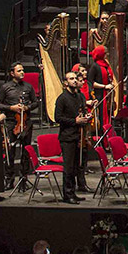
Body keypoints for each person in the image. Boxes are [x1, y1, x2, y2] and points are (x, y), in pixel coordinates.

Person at [55, 69, 92, 205]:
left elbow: (82, 112)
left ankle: (73, 193)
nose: (75, 80)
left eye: (75, 78)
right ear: (65, 83)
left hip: (78, 136)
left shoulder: (80, 96)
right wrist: (74, 121)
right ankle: (67, 194)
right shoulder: (62, 98)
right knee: (68, 168)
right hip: (67, 137)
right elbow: (57, 118)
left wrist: (87, 117)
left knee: (76, 166)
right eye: (71, 79)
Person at [0, 63, 34, 188]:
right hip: (11, 122)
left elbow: (35, 103)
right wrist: (11, 108)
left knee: (25, 152)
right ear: (12, 73)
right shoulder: (5, 87)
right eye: (19, 70)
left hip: (26, 122)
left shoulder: (28, 87)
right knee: (10, 152)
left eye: (23, 70)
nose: (22, 72)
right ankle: (9, 179)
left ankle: (24, 179)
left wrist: (27, 107)